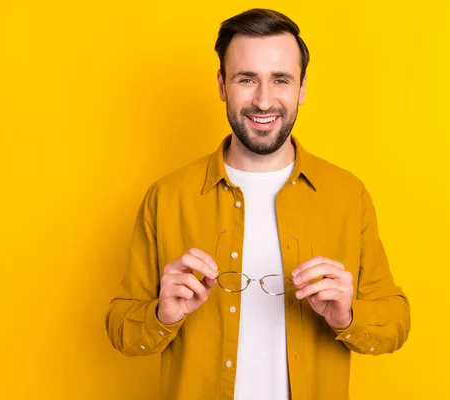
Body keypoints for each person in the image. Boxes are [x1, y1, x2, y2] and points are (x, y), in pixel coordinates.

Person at [105, 8, 410, 400]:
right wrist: (163, 315)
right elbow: (122, 331)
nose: (264, 101)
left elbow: (395, 325)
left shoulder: (348, 195)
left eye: (280, 80)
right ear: (222, 85)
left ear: (301, 88)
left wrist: (348, 316)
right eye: (247, 79)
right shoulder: (167, 197)